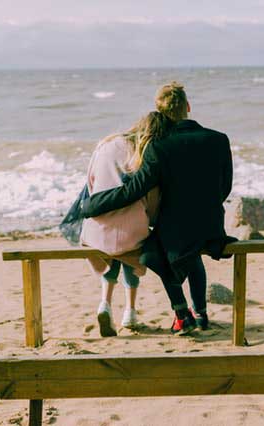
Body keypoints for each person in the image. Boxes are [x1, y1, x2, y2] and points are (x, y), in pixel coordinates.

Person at [81, 82, 235, 336]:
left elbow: (134, 190)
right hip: (212, 226)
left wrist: (93, 204)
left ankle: (181, 313)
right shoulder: (218, 139)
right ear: (188, 106)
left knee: (151, 254)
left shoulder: (159, 146)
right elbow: (225, 187)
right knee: (192, 251)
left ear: (159, 111)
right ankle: (201, 313)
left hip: (176, 231)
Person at [80, 112, 172, 337]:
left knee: (110, 251)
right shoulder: (145, 154)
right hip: (130, 233)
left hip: (97, 231)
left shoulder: (106, 144)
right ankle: (130, 311)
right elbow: (152, 200)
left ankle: (105, 303)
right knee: (133, 245)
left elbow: (90, 184)